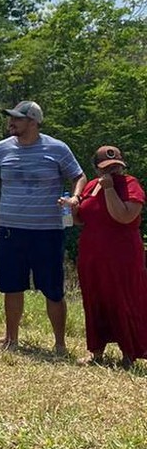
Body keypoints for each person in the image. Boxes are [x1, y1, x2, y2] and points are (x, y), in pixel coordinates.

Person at [0, 100, 86, 354]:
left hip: (47, 230)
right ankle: (11, 338)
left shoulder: (57, 148)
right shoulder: (1, 149)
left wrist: (75, 198)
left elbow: (78, 175)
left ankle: (60, 344)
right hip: (11, 228)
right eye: (11, 118)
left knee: (53, 288)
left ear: (33, 122)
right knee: (11, 285)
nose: (11, 123)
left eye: (17, 119)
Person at [74, 145, 147, 368]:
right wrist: (72, 206)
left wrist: (109, 190)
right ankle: (96, 351)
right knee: (95, 301)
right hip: (92, 256)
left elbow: (123, 216)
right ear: (97, 169)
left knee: (124, 301)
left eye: (116, 167)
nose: (112, 172)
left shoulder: (130, 185)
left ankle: (129, 353)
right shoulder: (91, 186)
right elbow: (81, 219)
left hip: (122, 257)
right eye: (106, 168)